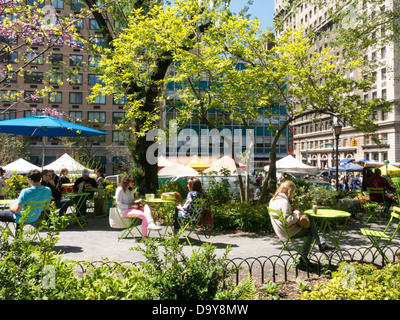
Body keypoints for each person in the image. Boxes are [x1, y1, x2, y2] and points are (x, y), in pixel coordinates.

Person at [268, 180, 333, 267]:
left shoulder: (274, 199)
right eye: (293, 192)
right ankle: (306, 256)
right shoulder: (284, 202)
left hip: (280, 230)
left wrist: (292, 210)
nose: (293, 195)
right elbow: (288, 221)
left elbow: (283, 216)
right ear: (290, 190)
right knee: (310, 232)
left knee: (309, 219)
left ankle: (321, 243)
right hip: (287, 231)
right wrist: (297, 212)